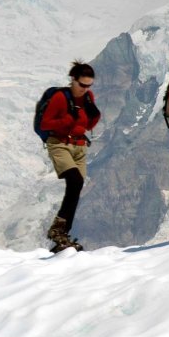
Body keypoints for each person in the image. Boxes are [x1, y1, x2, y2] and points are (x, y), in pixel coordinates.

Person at [39, 61, 101, 252]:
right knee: (74, 181)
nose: (85, 89)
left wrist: (93, 116)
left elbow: (87, 126)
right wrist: (67, 119)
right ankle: (57, 230)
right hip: (59, 144)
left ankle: (62, 234)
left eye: (88, 85)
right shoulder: (60, 98)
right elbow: (45, 124)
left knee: (76, 187)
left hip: (79, 147)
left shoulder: (88, 98)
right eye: (82, 85)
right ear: (73, 80)